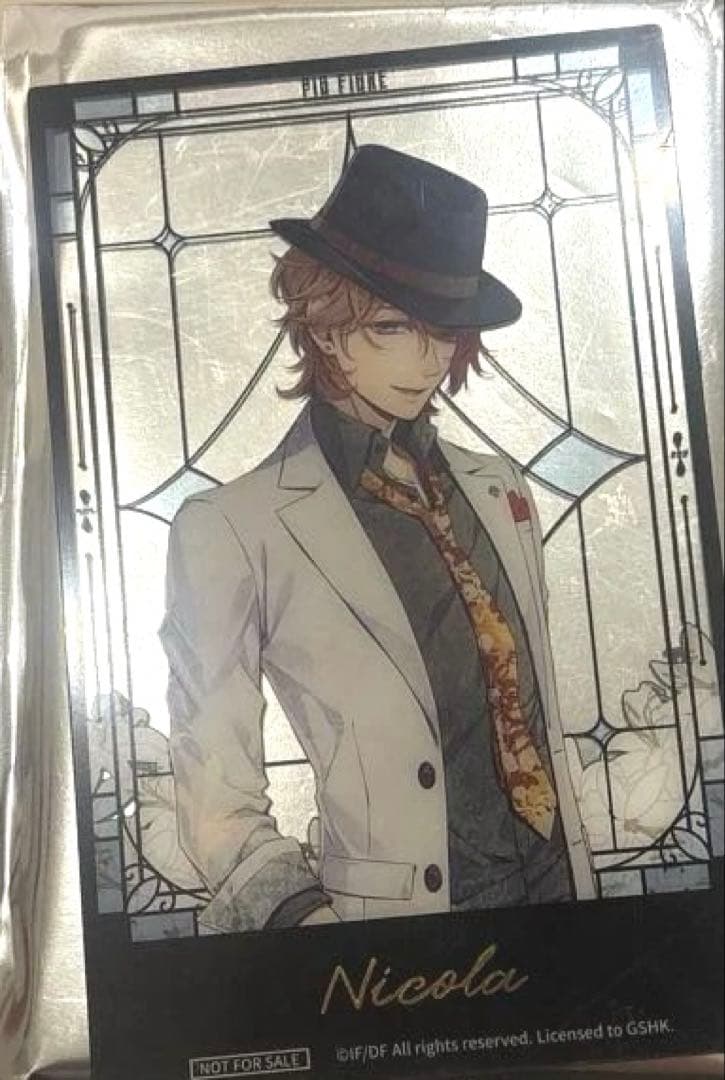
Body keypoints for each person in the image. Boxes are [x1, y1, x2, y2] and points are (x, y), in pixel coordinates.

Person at [160, 145, 595, 934]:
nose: (424, 362)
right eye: (390, 327)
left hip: (560, 898)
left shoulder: (497, 490)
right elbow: (213, 785)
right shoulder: (233, 527)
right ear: (323, 326)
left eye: (442, 333)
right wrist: (301, 920)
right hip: (395, 936)